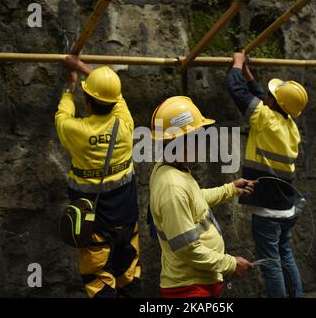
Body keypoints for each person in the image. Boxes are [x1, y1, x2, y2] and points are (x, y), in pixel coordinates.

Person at [149, 96, 254, 298]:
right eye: (197, 135)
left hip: (199, 282)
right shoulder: (173, 188)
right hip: (190, 288)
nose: (202, 141)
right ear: (181, 140)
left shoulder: (171, 166)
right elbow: (188, 249)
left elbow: (194, 199)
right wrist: (230, 264)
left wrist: (230, 189)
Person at [55, 56, 140, 298]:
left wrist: (71, 85)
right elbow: (115, 95)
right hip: (127, 220)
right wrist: (83, 68)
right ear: (114, 103)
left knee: (100, 283)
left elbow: (62, 116)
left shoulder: (74, 130)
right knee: (129, 279)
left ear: (87, 101)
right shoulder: (125, 123)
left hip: (95, 226)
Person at [227, 51, 309, 298]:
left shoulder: (264, 118)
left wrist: (237, 64)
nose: (267, 97)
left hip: (268, 213)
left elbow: (236, 91)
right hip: (286, 209)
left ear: (273, 103)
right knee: (285, 256)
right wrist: (249, 74)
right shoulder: (290, 125)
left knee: (272, 264)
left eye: (271, 96)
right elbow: (265, 97)